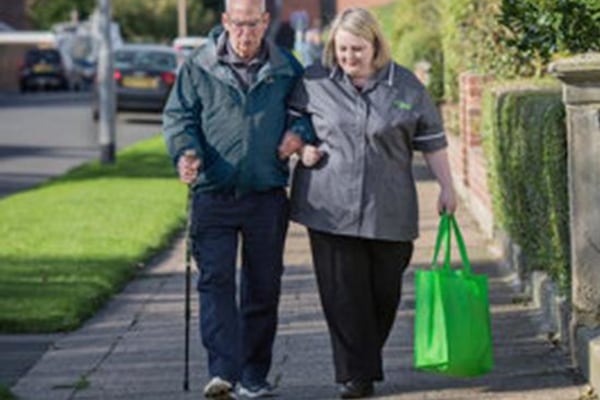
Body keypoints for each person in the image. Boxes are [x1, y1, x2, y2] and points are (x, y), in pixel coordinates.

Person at [287, 7, 457, 399]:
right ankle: (356, 377)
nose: (349, 57)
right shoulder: (314, 81)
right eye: (342, 49)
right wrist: (304, 149)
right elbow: (294, 126)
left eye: (357, 49)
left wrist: (448, 188)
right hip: (328, 205)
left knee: (385, 292)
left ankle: (363, 360)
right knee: (344, 295)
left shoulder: (407, 86)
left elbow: (432, 141)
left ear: (376, 45)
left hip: (390, 209)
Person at [162, 0, 311, 398]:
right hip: (213, 192)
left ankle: (254, 375)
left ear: (266, 22)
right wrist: (186, 153)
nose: (245, 33)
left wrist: (298, 133)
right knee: (215, 282)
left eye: (253, 24)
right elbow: (180, 118)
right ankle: (223, 372)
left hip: (266, 193)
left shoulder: (286, 67)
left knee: (264, 286)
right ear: (225, 22)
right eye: (238, 24)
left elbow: (308, 111)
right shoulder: (198, 65)